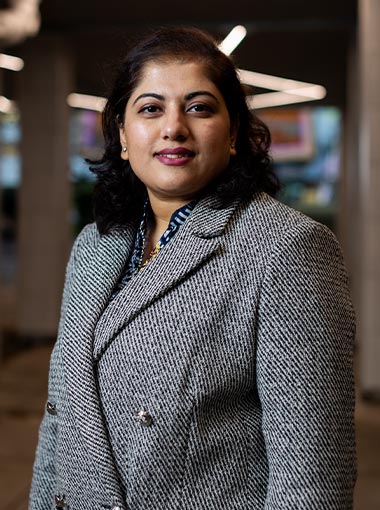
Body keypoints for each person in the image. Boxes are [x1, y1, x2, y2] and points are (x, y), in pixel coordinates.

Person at [29, 27, 356, 510]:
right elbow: (60, 424)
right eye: (150, 108)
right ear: (122, 134)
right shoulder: (95, 244)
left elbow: (312, 476)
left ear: (234, 134)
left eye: (200, 107)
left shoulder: (286, 248)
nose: (173, 128)